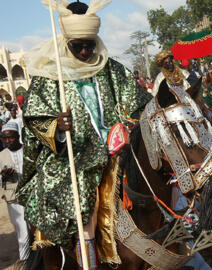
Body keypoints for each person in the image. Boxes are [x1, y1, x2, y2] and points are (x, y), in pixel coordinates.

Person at [20, 0, 151, 267]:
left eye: (89, 44)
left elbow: (139, 102)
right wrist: (56, 125)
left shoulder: (112, 68)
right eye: (77, 45)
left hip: (117, 149)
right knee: (81, 200)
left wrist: (128, 122)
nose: (84, 51)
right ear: (66, 40)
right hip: (71, 157)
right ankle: (86, 261)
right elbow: (33, 119)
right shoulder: (49, 75)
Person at [0, 122, 29, 267]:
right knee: (22, 231)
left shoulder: (28, 151)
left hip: (30, 195)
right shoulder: (1, 155)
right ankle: (25, 262)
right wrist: (3, 176)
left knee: (33, 231)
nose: (7, 141)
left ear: (18, 136)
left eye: (10, 137)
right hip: (13, 198)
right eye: (4, 138)